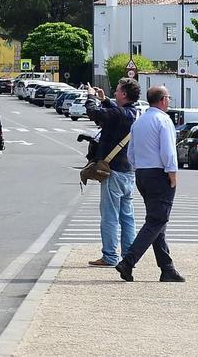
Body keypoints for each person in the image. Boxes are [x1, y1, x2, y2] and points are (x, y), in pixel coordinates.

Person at [117, 85, 185, 283]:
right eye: (169, 97)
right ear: (163, 99)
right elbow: (168, 151)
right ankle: (128, 261)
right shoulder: (163, 120)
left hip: (142, 174)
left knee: (156, 222)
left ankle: (167, 268)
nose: (169, 101)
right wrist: (172, 173)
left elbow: (131, 153)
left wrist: (139, 168)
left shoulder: (139, 122)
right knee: (157, 220)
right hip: (159, 175)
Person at [84, 78, 138, 268]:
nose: (115, 93)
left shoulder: (118, 113)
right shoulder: (133, 112)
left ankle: (109, 256)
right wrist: (105, 99)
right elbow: (114, 114)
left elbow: (94, 113)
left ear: (124, 94)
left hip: (113, 170)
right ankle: (130, 256)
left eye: (117, 90)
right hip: (128, 170)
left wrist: (91, 97)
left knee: (109, 215)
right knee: (127, 216)